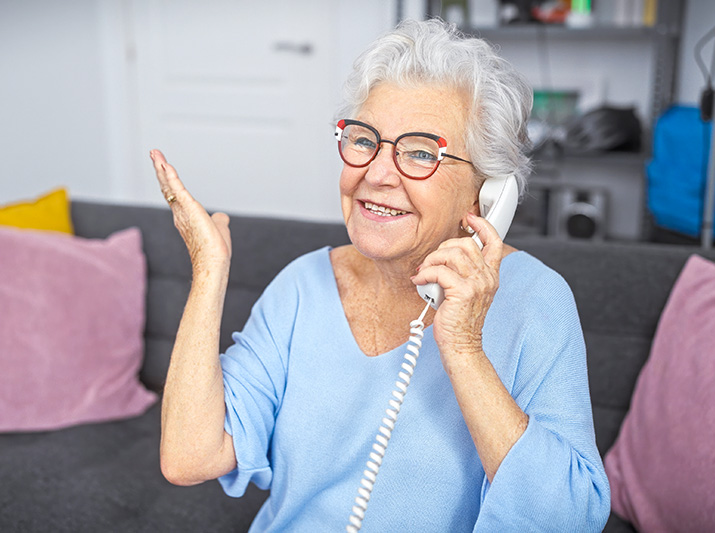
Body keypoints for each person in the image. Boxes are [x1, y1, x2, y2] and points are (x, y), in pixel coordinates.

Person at [152, 18, 610, 532]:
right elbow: (188, 458)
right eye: (364, 139)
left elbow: (569, 520)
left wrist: (462, 348)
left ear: (486, 191)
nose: (376, 173)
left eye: (419, 152)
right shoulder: (303, 286)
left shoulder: (536, 301)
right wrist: (209, 272)